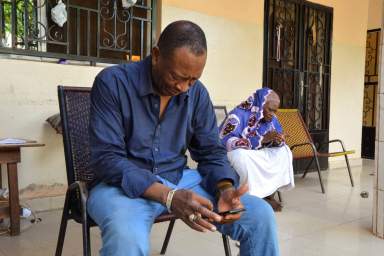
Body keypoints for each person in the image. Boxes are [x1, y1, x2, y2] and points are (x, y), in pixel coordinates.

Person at [87, 20, 279, 256]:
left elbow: (211, 152)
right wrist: (168, 196)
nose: (184, 88)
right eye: (177, 77)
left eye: (193, 80)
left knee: (260, 216)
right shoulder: (113, 83)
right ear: (156, 55)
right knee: (126, 239)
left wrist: (225, 188)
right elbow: (107, 159)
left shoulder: (197, 94)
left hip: (178, 179)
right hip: (121, 186)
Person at [219, 88, 295, 211]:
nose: (272, 114)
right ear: (260, 104)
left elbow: (278, 135)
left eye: (275, 111)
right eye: (270, 109)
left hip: (258, 154)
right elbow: (225, 141)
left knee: (284, 151)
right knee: (240, 156)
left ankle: (269, 193)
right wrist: (261, 139)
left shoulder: (271, 119)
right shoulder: (238, 114)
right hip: (240, 153)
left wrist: (277, 140)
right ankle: (254, 197)